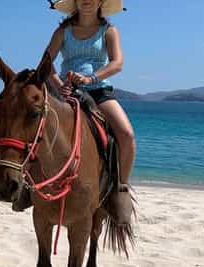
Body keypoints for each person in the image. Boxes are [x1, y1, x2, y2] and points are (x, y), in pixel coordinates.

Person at [45, 0, 135, 223]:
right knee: (37, 126)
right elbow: (46, 62)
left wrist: (90, 78)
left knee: (126, 135)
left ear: (101, 2)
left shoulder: (109, 31)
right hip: (67, 92)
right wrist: (58, 85)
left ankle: (119, 190)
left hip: (98, 91)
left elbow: (117, 63)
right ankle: (28, 189)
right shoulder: (62, 31)